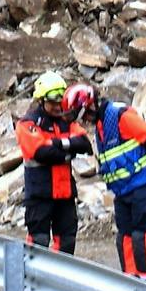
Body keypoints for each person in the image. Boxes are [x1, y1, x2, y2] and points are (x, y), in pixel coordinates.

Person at [74, 83, 146, 285]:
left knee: (142, 237)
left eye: (85, 116)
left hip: (144, 186)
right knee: (125, 238)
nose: (85, 122)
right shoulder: (100, 125)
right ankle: (131, 283)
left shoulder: (120, 116)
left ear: (91, 106)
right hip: (123, 192)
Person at [17, 71, 93, 255]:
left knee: (67, 241)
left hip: (64, 195)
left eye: (60, 101)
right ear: (41, 100)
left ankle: (59, 282)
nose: (58, 106)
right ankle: (33, 282)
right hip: (39, 195)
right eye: (53, 102)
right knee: (38, 242)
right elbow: (41, 152)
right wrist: (67, 152)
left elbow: (84, 144)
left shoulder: (66, 122)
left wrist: (58, 144)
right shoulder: (28, 123)